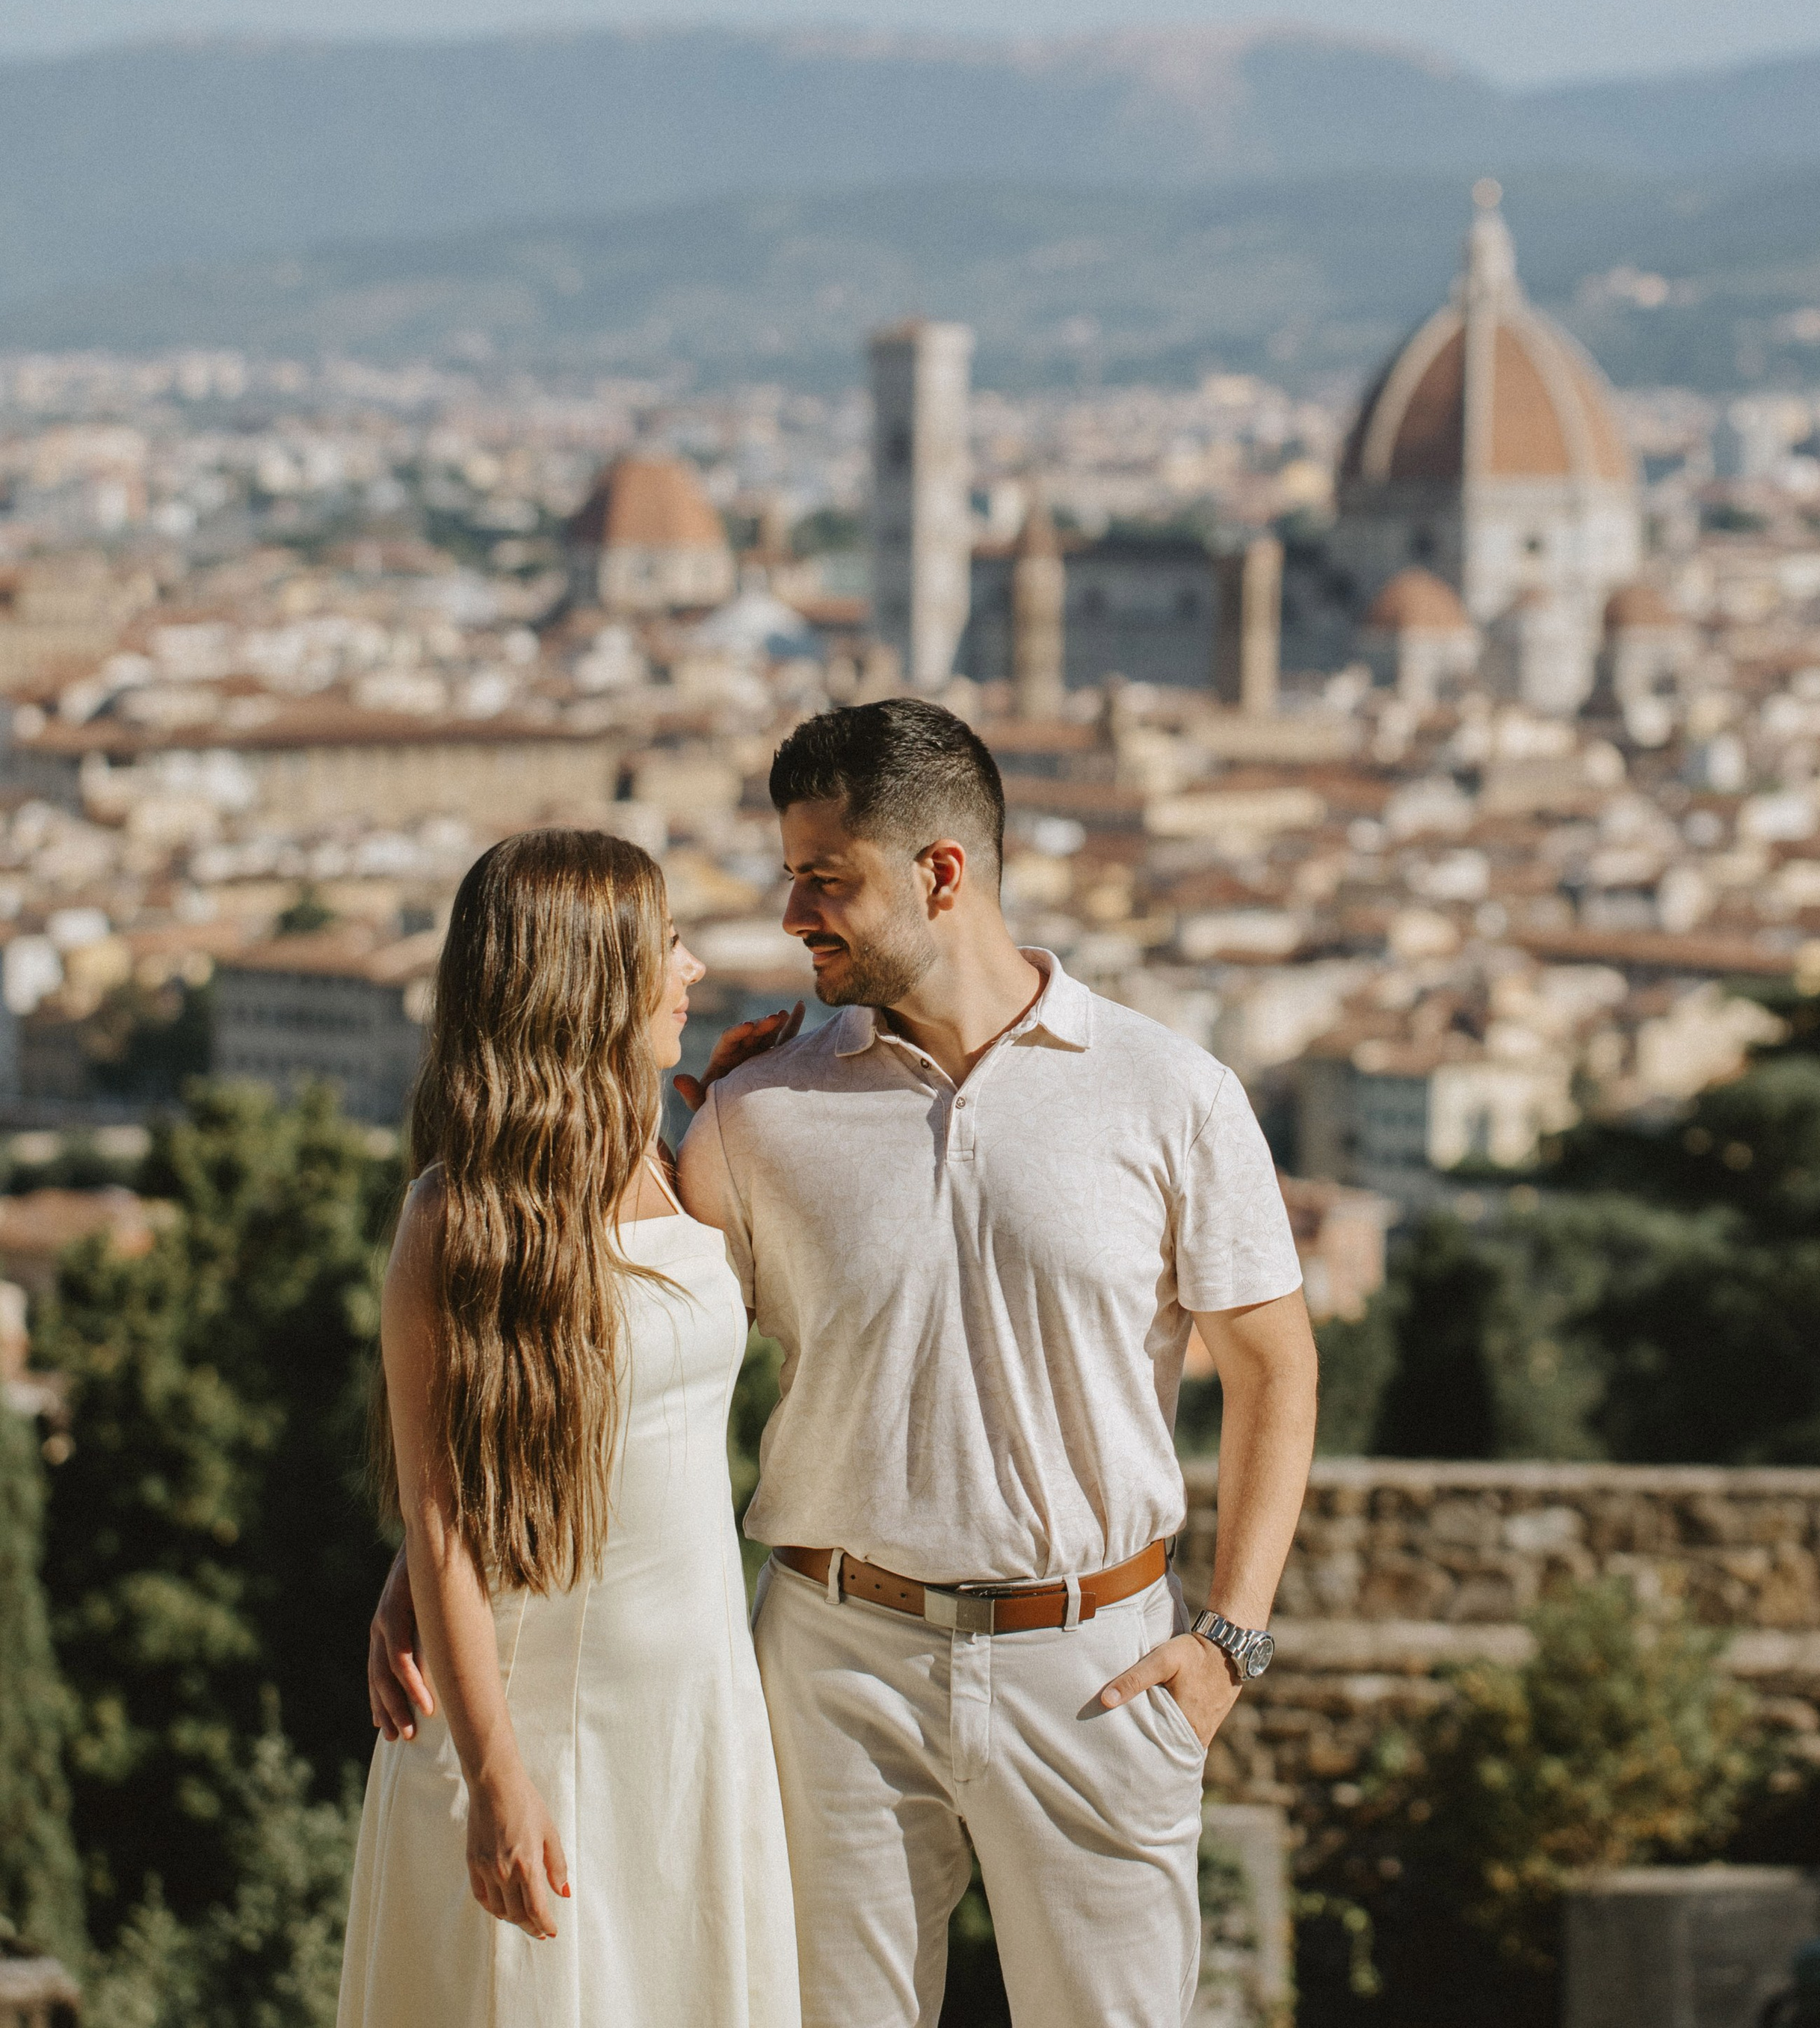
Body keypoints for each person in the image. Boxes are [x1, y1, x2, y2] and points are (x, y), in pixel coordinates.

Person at [371, 703, 1317, 2027]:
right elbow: (587, 1342)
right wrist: (429, 1558)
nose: (789, 917)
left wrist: (1229, 1639)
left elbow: (1276, 1367)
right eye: (788, 876)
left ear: (942, 873)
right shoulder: (756, 1114)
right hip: (829, 1663)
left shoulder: (1171, 1093)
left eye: (826, 879)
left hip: (1093, 1661)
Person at [341, 827, 801, 2028]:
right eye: (669, 947)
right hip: (532, 1722)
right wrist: (496, 1779)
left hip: (694, 1707)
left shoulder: (668, 1161)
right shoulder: (456, 1219)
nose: (694, 971)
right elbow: (442, 1508)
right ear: (586, 980)